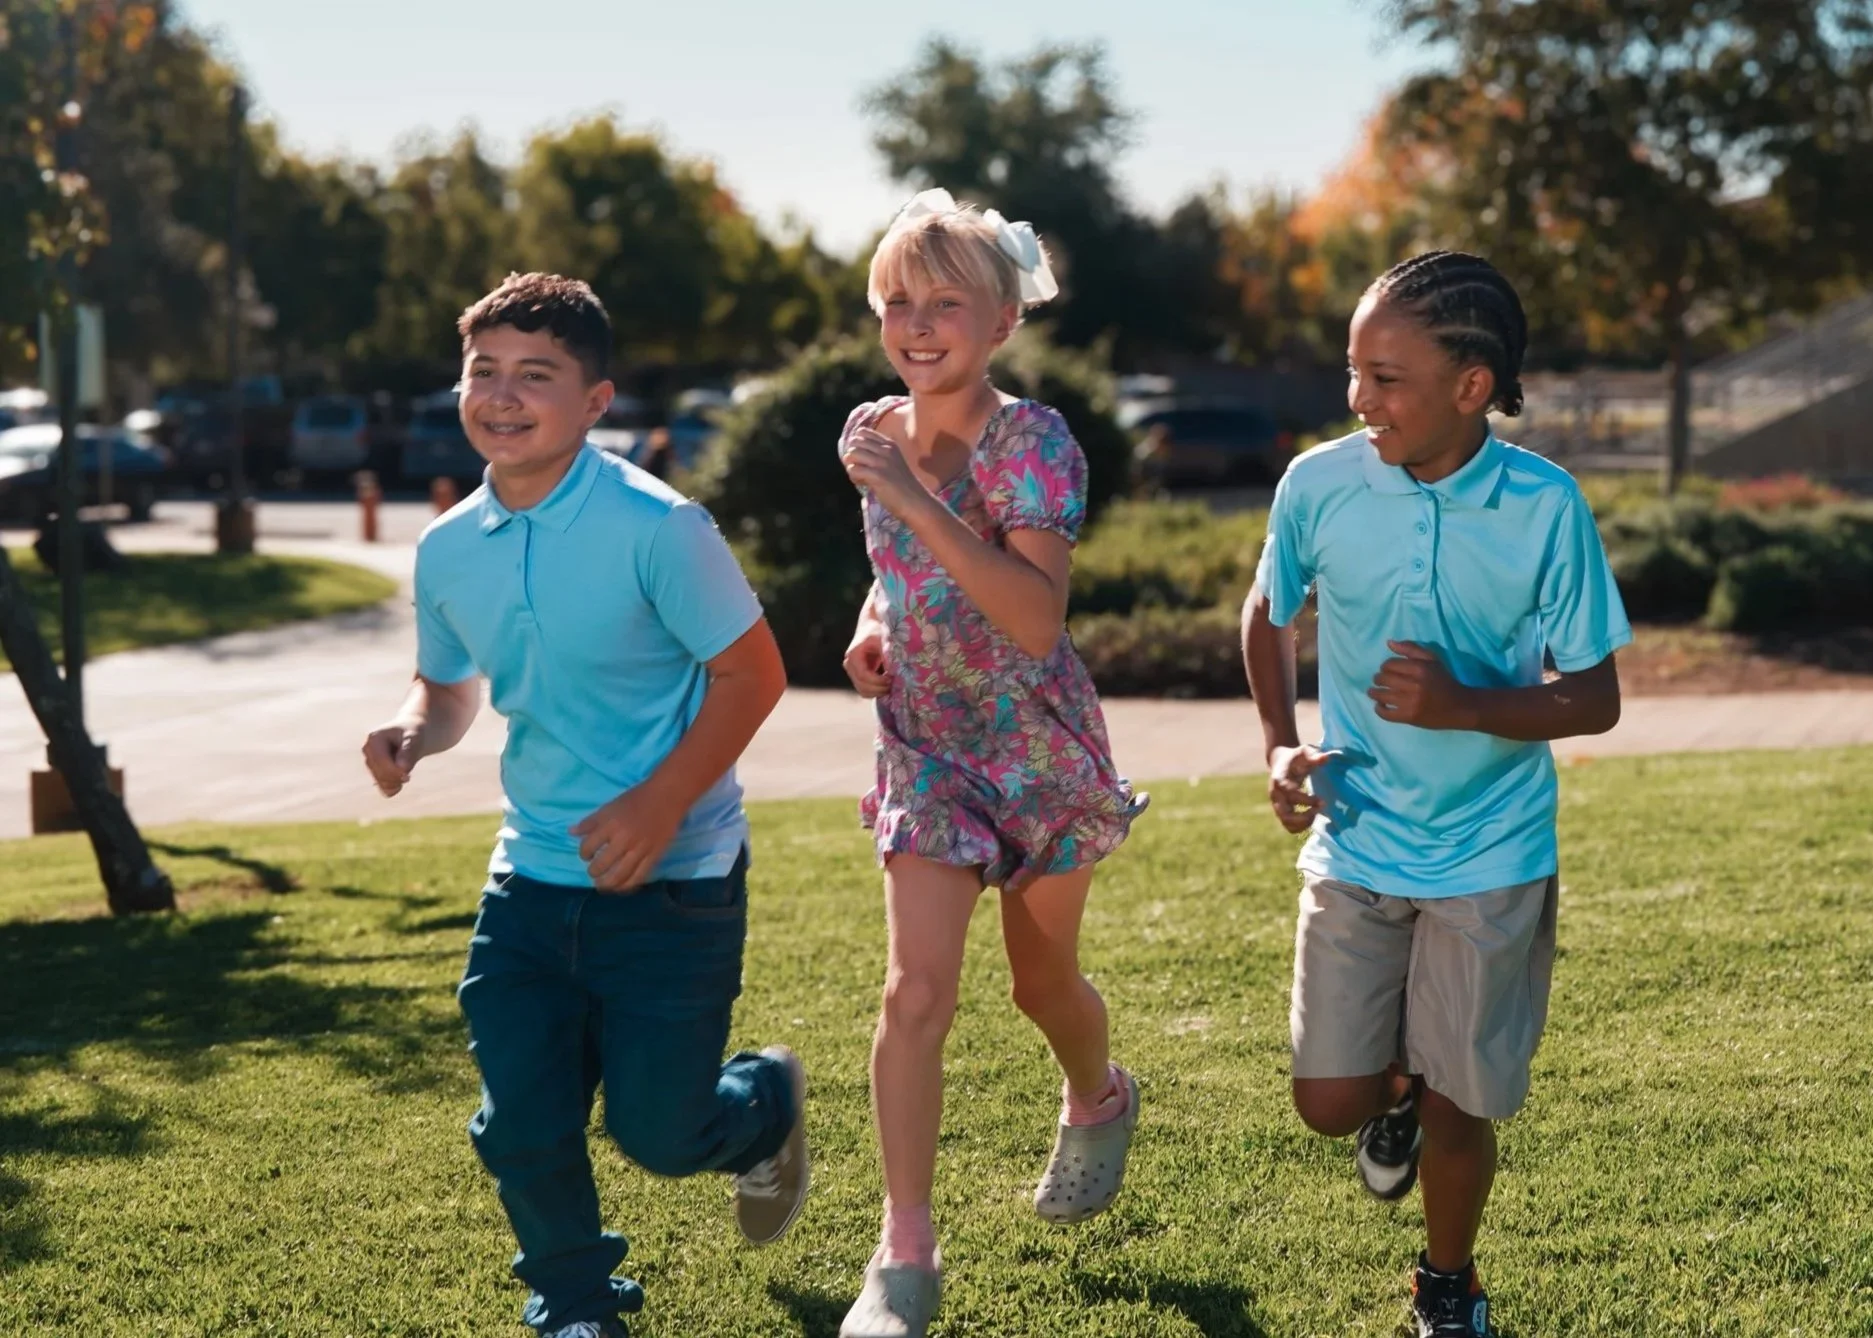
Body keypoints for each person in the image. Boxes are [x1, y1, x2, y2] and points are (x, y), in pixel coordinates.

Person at [360, 272, 808, 1338]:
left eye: (536, 376)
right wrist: (416, 733)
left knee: (660, 1135)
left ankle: (761, 1108)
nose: (502, 396)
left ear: (598, 401)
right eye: (484, 373)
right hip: (529, 881)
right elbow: (454, 682)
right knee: (522, 1116)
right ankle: (572, 1300)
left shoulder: (661, 526)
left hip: (675, 883)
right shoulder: (446, 545)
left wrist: (658, 807)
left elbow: (755, 677)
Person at [1242, 251, 1630, 1338]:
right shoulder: (1318, 484)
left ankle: (1446, 1286)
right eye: (1354, 372)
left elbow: (1593, 698)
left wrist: (1464, 703)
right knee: (1328, 1104)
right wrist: (1279, 746)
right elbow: (1267, 610)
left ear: (1470, 386)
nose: (1358, 399)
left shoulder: (1544, 505)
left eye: (1385, 375)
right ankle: (1392, 1098)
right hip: (1358, 839)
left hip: (1492, 852)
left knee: (1469, 1105)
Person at [834, 189, 1148, 1338]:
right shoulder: (871, 433)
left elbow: (1029, 619)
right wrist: (874, 628)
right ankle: (903, 1255)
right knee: (915, 992)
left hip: (1035, 755)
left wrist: (916, 503)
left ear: (1003, 320)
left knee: (1039, 984)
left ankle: (1097, 1093)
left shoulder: (1032, 444)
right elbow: (897, 569)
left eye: (945, 303)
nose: (918, 325)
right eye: (897, 303)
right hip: (927, 754)